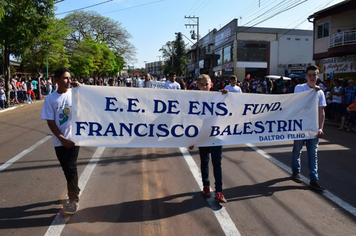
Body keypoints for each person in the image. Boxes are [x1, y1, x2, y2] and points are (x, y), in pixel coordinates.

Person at [41, 68, 80, 214]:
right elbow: (50, 121)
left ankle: (74, 198)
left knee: (71, 168)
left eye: (70, 78)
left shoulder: (76, 93)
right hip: (59, 141)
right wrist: (61, 138)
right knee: (66, 168)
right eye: (65, 78)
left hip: (74, 139)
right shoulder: (50, 99)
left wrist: (81, 88)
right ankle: (75, 190)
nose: (69, 81)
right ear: (56, 80)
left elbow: (93, 101)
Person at [189, 74, 227, 203]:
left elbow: (232, 106)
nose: (205, 87)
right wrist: (191, 140)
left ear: (211, 84)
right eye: (202, 84)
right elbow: (191, 119)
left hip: (216, 135)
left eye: (207, 84)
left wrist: (226, 95)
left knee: (217, 163)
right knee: (204, 161)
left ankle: (219, 191)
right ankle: (206, 186)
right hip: (203, 135)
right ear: (198, 85)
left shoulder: (218, 96)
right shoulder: (194, 99)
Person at [291, 65, 326, 192]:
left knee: (313, 154)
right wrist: (313, 92)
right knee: (297, 150)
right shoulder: (299, 88)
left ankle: (314, 179)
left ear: (317, 76)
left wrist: (320, 128)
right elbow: (299, 103)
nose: (312, 77)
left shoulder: (320, 92)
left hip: (313, 128)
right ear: (306, 76)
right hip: (300, 127)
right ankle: (295, 172)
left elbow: (321, 111)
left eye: (314, 75)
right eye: (310, 75)